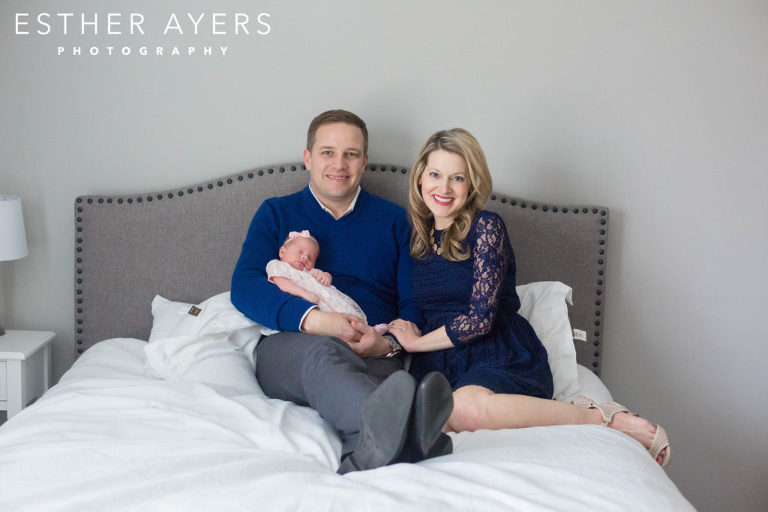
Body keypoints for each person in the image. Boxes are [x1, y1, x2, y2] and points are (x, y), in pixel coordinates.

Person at [387, 128, 671, 467]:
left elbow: (480, 319)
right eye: (435, 174)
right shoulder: (413, 238)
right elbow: (406, 305)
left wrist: (416, 344)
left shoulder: (486, 227)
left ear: (472, 184)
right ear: (420, 177)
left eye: (457, 178)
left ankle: (601, 418)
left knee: (463, 408)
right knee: (428, 416)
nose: (444, 188)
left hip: (493, 349)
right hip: (438, 361)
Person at [231, 110, 453, 474]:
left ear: (364, 161)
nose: (339, 164)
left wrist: (387, 345)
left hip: (374, 351)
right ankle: (412, 438)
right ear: (307, 158)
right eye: (327, 152)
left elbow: (414, 300)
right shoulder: (275, 213)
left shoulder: (397, 221)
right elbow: (245, 285)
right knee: (324, 354)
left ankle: (367, 454)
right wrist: (318, 321)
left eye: (351, 154)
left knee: (397, 385)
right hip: (295, 347)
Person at [266, 229, 387, 333]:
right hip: (313, 308)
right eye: (300, 252)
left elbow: (323, 276)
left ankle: (369, 330)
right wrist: (303, 293)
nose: (305, 257)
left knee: (348, 313)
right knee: (338, 324)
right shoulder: (278, 266)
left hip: (329, 300)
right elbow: (282, 283)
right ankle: (364, 332)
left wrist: (326, 276)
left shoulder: (309, 272)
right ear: (282, 252)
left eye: (311, 257)